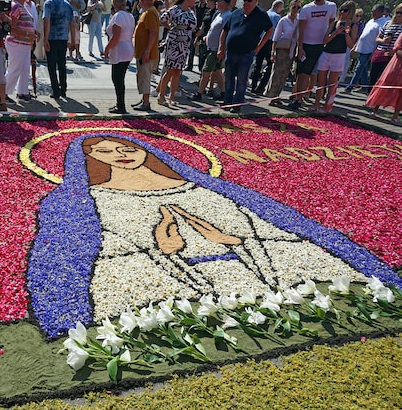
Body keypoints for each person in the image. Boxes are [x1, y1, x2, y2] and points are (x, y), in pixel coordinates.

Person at [26, 134, 399, 338]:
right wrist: (162, 250)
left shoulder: (204, 187)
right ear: (90, 161)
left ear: (147, 151)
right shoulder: (83, 201)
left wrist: (236, 242)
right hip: (174, 285)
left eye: (127, 146)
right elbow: (91, 259)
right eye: (105, 151)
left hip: (260, 273)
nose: (120, 154)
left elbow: (274, 231)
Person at [217, 0, 273, 113]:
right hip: (231, 51)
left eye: (249, 0)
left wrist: (259, 46)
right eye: (245, 0)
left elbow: (270, 29)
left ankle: (237, 103)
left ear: (256, 1)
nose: (246, 3)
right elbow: (225, 30)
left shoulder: (261, 15)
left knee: (242, 80)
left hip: (246, 53)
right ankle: (227, 100)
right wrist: (221, 47)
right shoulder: (236, 13)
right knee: (228, 77)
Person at [287, 0, 336, 110]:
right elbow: (301, 29)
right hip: (306, 44)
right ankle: (297, 98)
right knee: (300, 73)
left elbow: (332, 22)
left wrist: (326, 37)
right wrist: (300, 47)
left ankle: (303, 97)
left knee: (309, 74)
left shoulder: (331, 6)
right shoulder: (307, 8)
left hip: (319, 45)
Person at [311, 0, 358, 112]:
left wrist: (346, 33)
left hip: (339, 56)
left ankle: (327, 106)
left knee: (332, 84)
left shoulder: (353, 26)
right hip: (326, 53)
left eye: (345, 10)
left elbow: (351, 45)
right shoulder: (334, 23)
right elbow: (325, 40)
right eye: (341, 9)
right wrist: (336, 32)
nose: (342, 12)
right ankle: (316, 104)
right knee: (321, 81)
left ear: (350, 11)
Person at [189, 0, 232, 102]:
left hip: (216, 49)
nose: (217, 3)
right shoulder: (219, 14)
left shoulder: (228, 16)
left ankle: (199, 93)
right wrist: (206, 38)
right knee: (217, 71)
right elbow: (212, 29)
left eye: (219, 1)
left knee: (206, 71)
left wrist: (221, 48)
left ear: (225, 3)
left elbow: (225, 33)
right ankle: (223, 93)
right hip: (211, 47)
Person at [157, 0, 197, 107]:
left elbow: (193, 27)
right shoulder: (175, 9)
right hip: (174, 44)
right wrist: (170, 27)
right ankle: (161, 96)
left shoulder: (191, 12)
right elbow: (162, 19)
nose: (195, 1)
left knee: (178, 72)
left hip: (184, 46)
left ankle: (171, 97)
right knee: (170, 71)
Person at [344, 4, 387, 93]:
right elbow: (363, 34)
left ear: (379, 12)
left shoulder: (382, 23)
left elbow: (380, 37)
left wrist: (374, 52)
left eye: (373, 11)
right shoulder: (371, 21)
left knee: (358, 68)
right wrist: (356, 45)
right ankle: (364, 86)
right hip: (362, 48)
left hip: (370, 49)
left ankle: (349, 87)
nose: (372, 13)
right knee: (363, 69)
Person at [103, 0, 135, 113]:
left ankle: (120, 106)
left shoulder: (118, 16)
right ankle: (120, 104)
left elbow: (115, 37)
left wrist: (106, 49)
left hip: (120, 49)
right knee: (119, 78)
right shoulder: (130, 16)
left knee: (117, 79)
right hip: (127, 48)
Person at [265, 0, 299, 105]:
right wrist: (273, 52)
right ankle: (271, 95)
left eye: (298, 7)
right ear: (290, 7)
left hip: (291, 50)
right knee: (277, 73)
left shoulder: (299, 21)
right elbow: (276, 37)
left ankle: (277, 95)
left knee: (285, 74)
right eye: (294, 7)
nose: (296, 9)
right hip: (281, 49)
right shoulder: (283, 20)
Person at [4, 0, 38, 104]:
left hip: (25, 43)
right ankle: (3, 94)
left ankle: (22, 92)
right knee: (14, 69)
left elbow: (25, 24)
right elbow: (12, 29)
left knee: (24, 69)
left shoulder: (23, 6)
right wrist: (28, 34)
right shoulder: (15, 6)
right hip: (16, 43)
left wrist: (35, 32)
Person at [366, 32, 402, 125]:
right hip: (396, 65)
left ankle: (395, 116)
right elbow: (397, 48)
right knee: (385, 85)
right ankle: (375, 110)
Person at [43, 0, 76, 98]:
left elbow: (47, 21)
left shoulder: (48, 3)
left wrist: (45, 39)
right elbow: (72, 24)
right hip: (63, 38)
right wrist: (73, 40)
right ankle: (63, 89)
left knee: (52, 66)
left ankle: (56, 90)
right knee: (62, 65)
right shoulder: (67, 4)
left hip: (52, 38)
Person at [131, 0, 160, 111]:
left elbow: (153, 33)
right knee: (142, 77)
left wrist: (147, 51)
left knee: (145, 77)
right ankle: (144, 99)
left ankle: (146, 103)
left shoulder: (150, 12)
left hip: (147, 54)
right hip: (142, 52)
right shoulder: (147, 12)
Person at [250, 0, 283, 95]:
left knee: (257, 64)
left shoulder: (264, 14)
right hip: (269, 42)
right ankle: (261, 87)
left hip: (260, 41)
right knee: (270, 65)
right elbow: (279, 32)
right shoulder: (277, 17)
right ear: (279, 7)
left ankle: (253, 85)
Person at [368, 5, 402, 92]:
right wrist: (383, 41)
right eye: (398, 12)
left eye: (401, 13)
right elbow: (377, 38)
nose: (399, 15)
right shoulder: (388, 23)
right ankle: (369, 97)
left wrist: (394, 51)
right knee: (373, 76)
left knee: (384, 79)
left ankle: (379, 100)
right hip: (380, 53)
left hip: (393, 56)